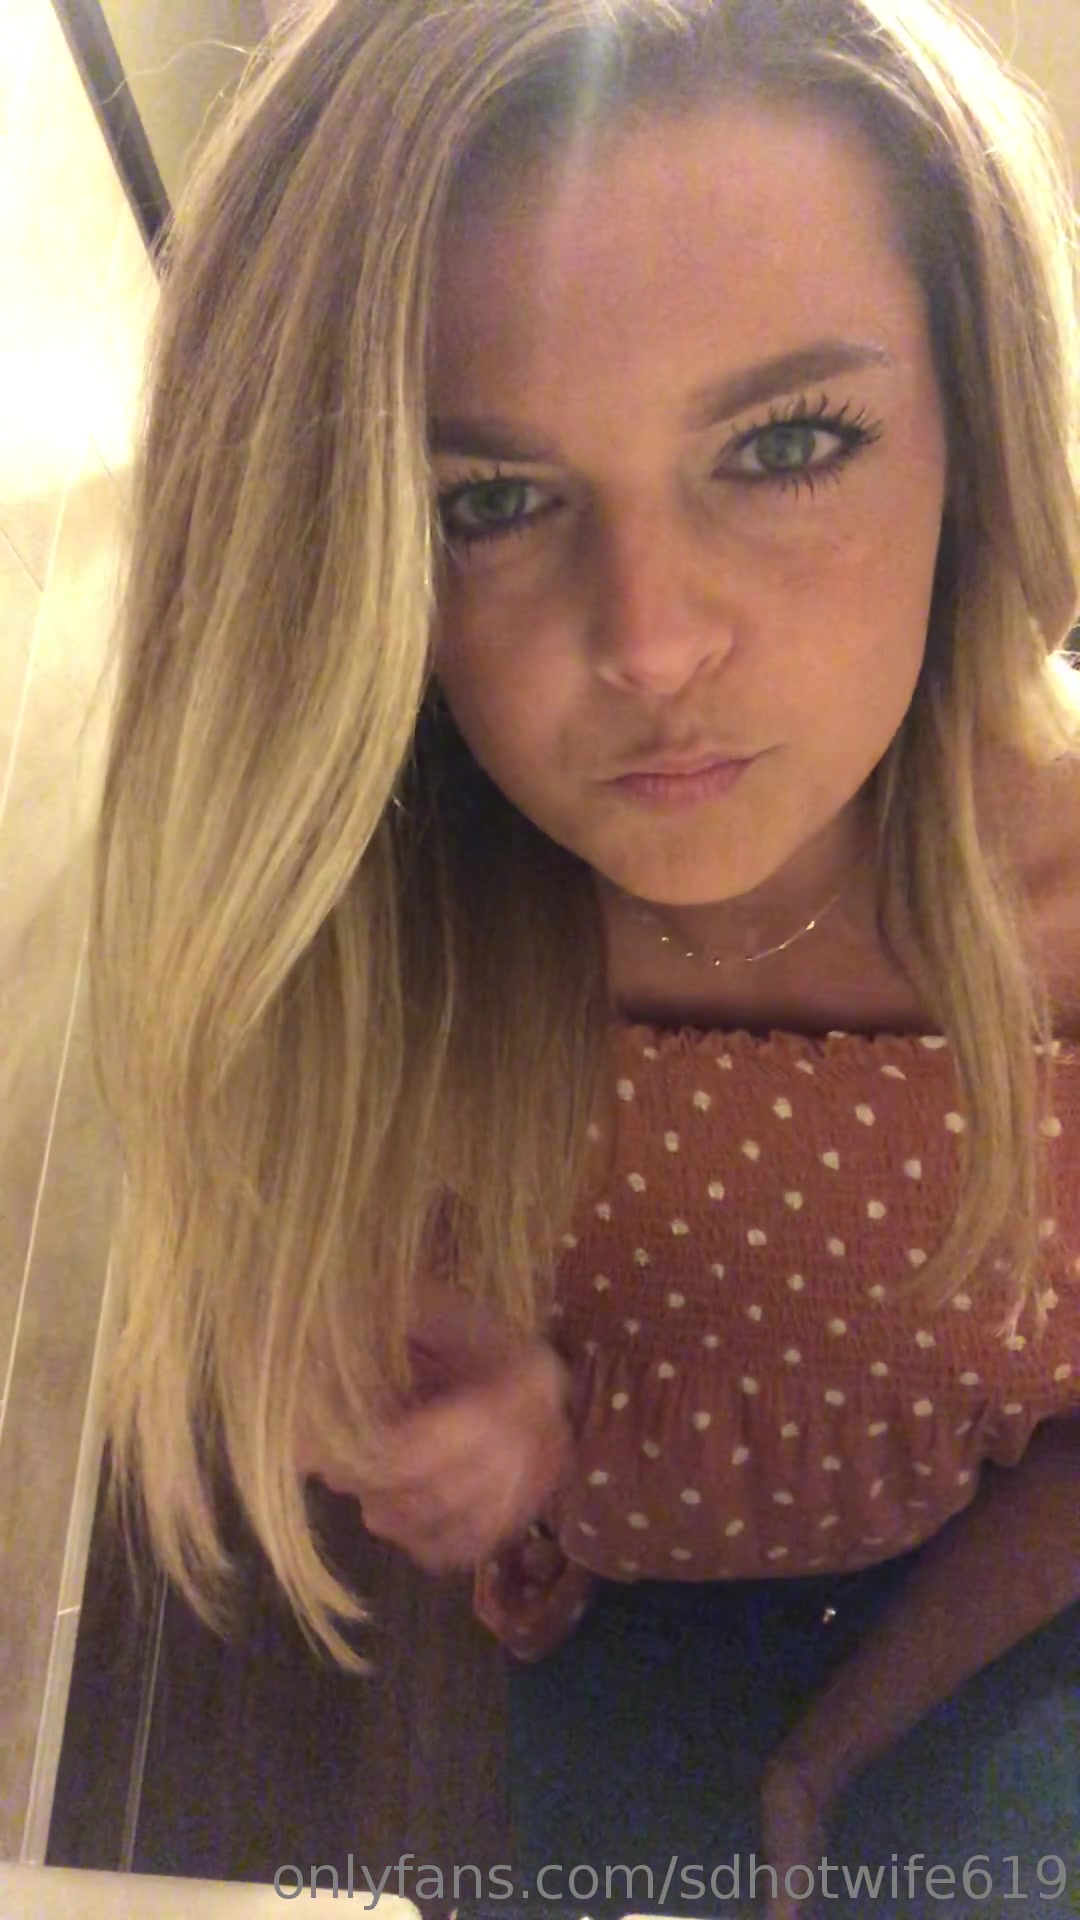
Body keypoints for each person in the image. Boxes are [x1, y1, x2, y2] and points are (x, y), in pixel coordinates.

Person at [86, 1, 1080, 1914]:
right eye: (490, 501)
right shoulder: (394, 913)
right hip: (606, 1599)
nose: (649, 644)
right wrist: (435, 1383)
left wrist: (831, 1752)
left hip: (1007, 1604)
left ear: (976, 424)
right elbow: (350, 1295)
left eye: (785, 443)